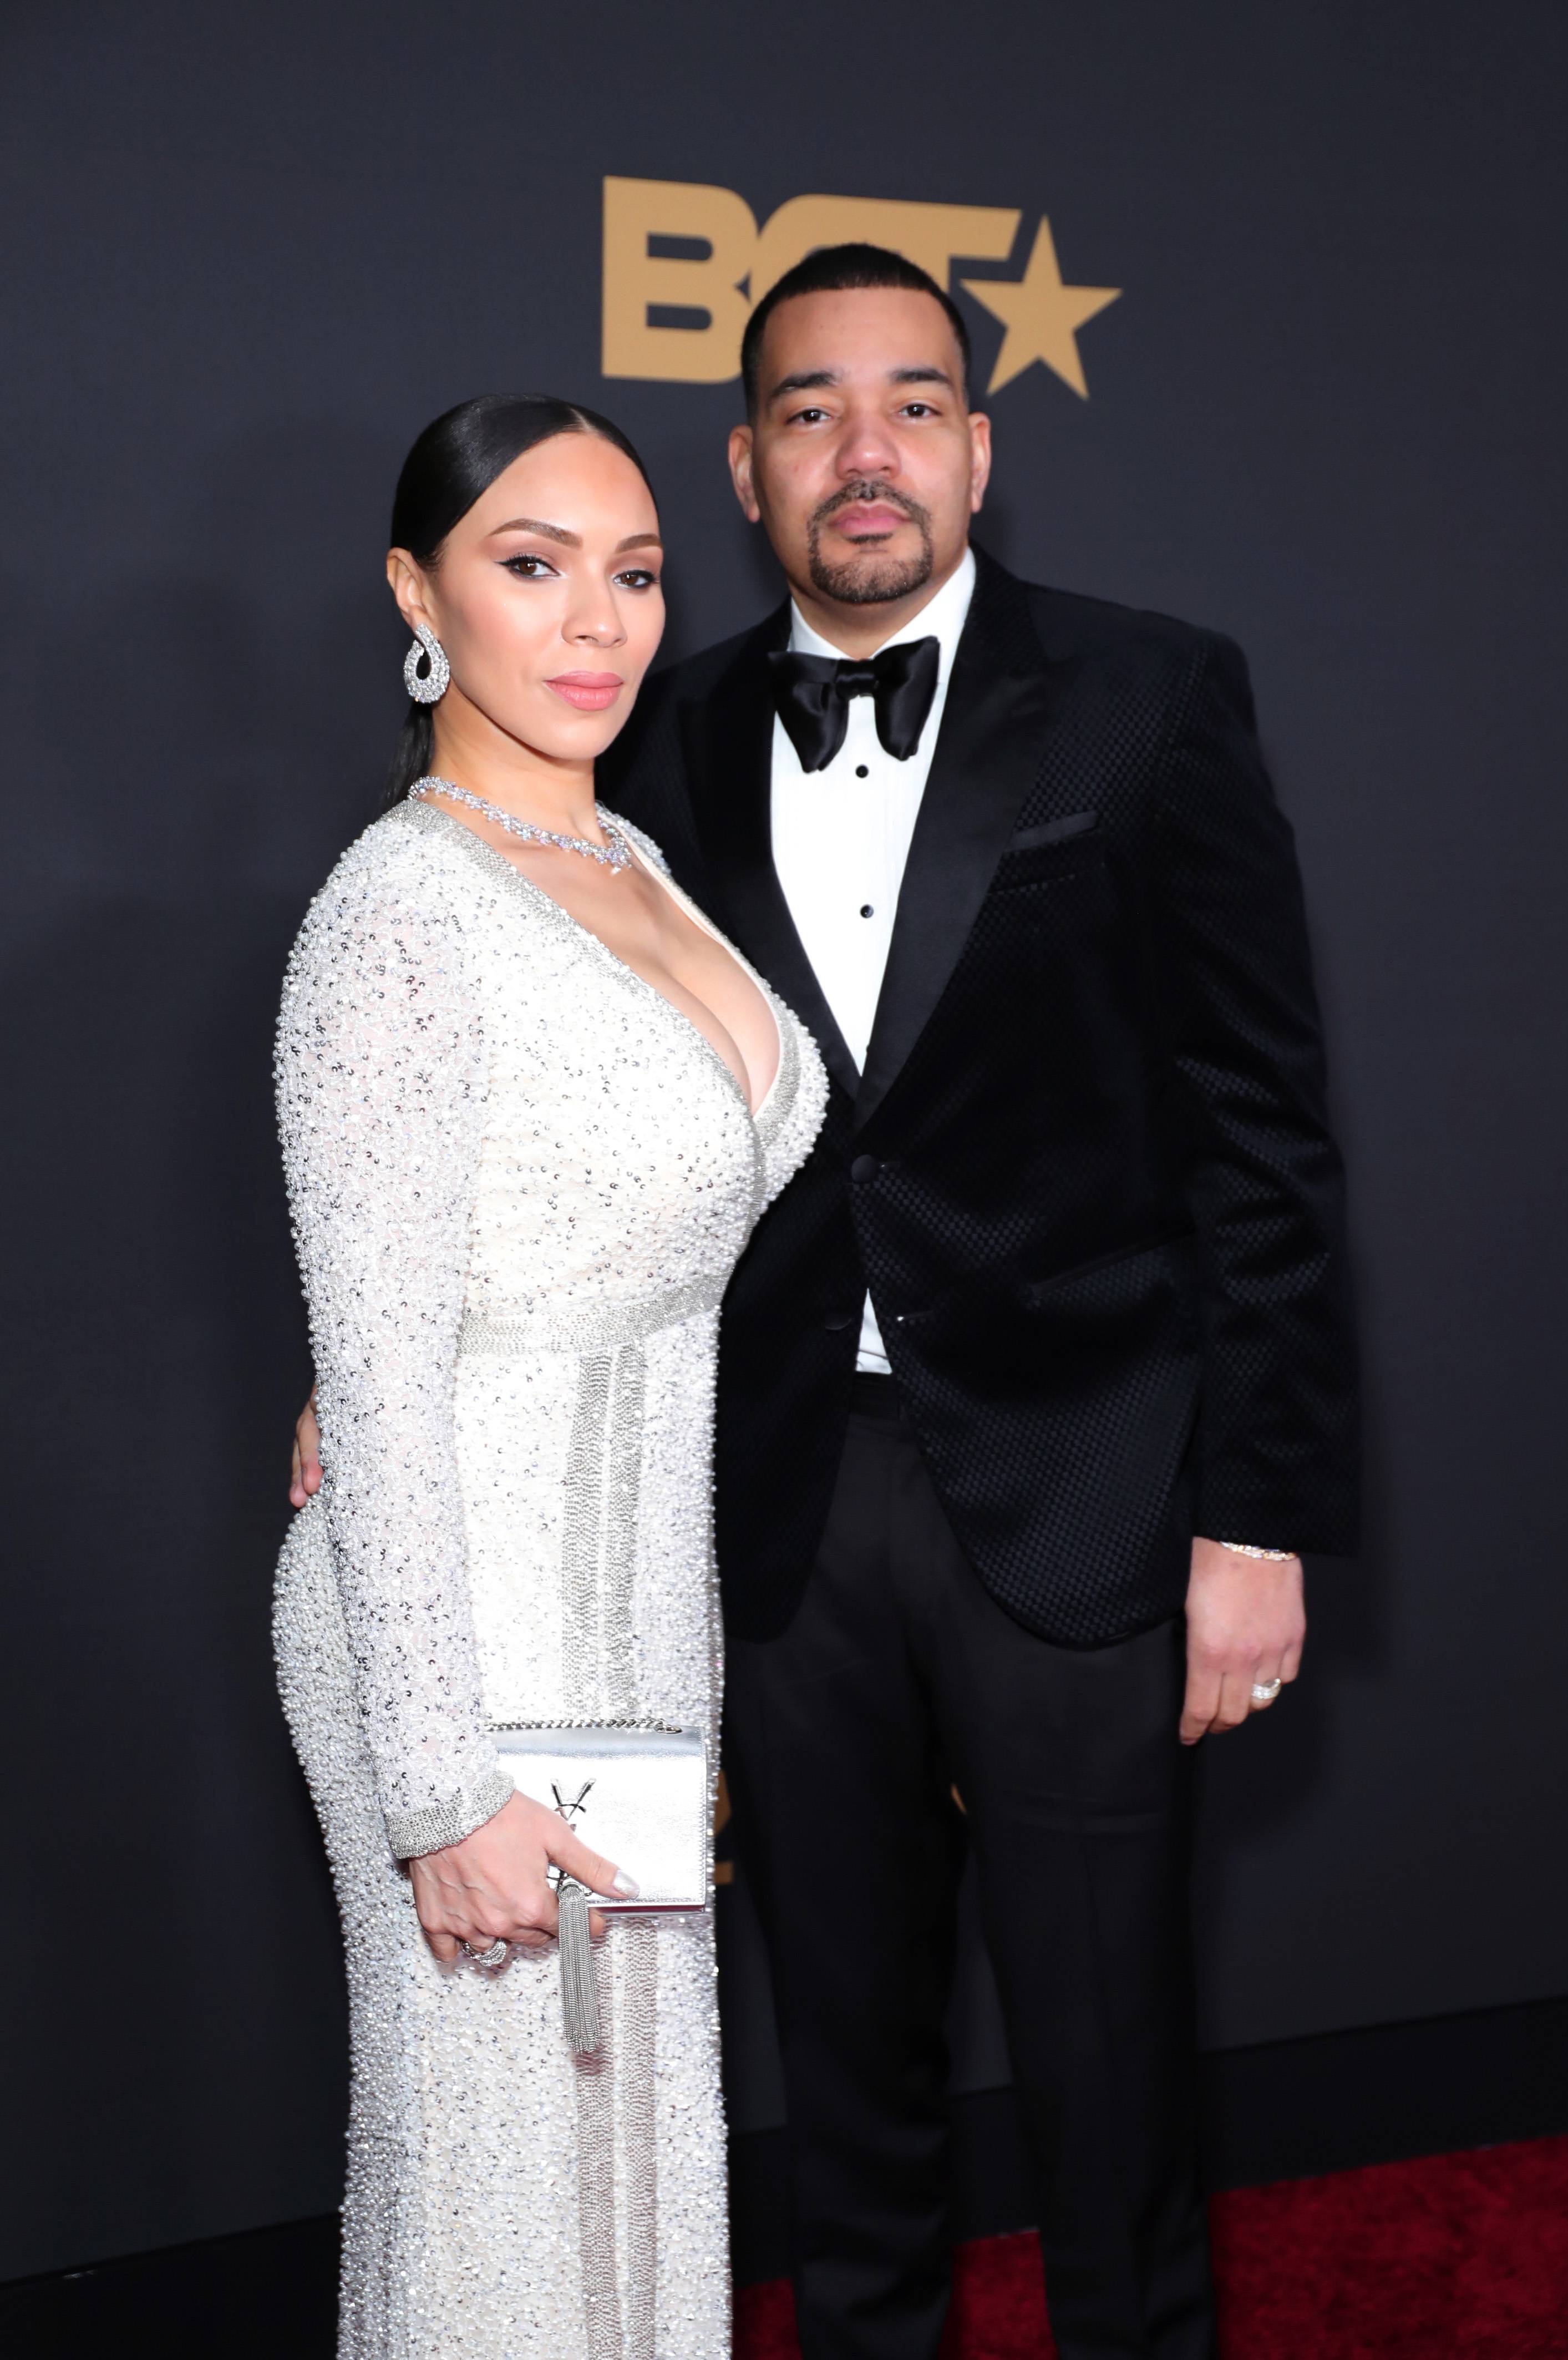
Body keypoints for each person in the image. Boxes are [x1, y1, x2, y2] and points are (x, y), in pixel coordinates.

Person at [296, 247, 1359, 2360]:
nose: (862, 453)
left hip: (1081, 1492)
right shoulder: (649, 735)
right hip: (764, 1512)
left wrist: (1259, 1511)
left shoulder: (1153, 693)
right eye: (807, 412)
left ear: (976, 445)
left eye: (910, 405)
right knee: (839, 2084)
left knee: (1107, 2076)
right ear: (751, 464)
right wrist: (360, 1373)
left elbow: (1265, 1132)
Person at [273, 392, 825, 2359]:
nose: (593, 621)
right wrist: (440, 1788)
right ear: (421, 594)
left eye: (636, 571)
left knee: (633, 2153)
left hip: (628, 1608)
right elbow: (390, 1381)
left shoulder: (633, 859)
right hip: (459, 1630)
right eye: (531, 564)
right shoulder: (399, 919)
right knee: (499, 2185)